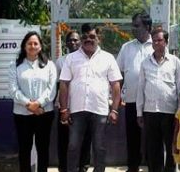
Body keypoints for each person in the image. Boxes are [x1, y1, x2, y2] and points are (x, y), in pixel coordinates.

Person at [59, 24, 123, 172]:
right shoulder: (71, 58)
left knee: (99, 147)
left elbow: (115, 85)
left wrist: (114, 110)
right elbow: (64, 84)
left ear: (98, 38)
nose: (88, 39)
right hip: (77, 110)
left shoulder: (108, 58)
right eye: (85, 37)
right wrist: (64, 109)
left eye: (92, 36)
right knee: (73, 146)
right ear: (81, 39)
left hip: (100, 110)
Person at [137, 29, 180, 172]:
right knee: (153, 148)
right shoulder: (145, 63)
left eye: (159, 40)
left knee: (171, 146)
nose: (156, 43)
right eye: (154, 41)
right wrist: (139, 113)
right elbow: (141, 88)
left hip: (170, 111)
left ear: (166, 42)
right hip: (150, 111)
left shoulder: (175, 62)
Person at [9, 31, 58, 172]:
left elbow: (52, 89)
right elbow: (13, 89)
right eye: (29, 43)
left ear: (40, 46)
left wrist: (38, 104)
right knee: (24, 149)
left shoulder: (49, 65)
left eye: (35, 43)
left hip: (44, 113)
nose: (32, 46)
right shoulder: (15, 65)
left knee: (43, 148)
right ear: (24, 46)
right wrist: (29, 104)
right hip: (22, 115)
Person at [117, 12, 155, 172]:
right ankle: (133, 167)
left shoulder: (156, 45)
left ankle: (154, 167)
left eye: (137, 25)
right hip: (131, 100)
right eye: (132, 25)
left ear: (148, 27)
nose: (133, 29)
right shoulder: (126, 47)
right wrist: (116, 98)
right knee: (132, 137)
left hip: (152, 102)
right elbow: (118, 74)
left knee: (153, 138)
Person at [55, 30, 91, 172]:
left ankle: (83, 167)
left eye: (76, 40)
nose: (73, 42)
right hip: (65, 107)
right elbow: (57, 85)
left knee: (85, 139)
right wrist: (61, 107)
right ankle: (63, 168)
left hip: (83, 106)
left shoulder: (87, 59)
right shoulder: (60, 61)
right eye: (70, 40)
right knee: (64, 140)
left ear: (80, 41)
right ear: (66, 43)